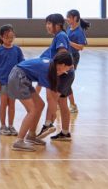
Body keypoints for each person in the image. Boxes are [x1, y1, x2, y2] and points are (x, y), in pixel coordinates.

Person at [7, 50, 75, 152]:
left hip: (22, 78)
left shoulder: (51, 66)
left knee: (40, 105)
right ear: (61, 65)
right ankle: (19, 141)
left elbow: (51, 97)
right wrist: (51, 117)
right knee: (32, 110)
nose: (66, 72)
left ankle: (31, 135)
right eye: (66, 69)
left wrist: (51, 115)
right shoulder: (47, 70)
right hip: (18, 77)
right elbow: (51, 97)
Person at [37, 13, 74, 141]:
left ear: (58, 25)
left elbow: (63, 53)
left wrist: (57, 71)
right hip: (67, 73)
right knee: (62, 103)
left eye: (49, 23)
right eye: (46, 23)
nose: (47, 26)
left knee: (51, 98)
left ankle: (48, 124)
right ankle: (65, 132)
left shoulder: (61, 36)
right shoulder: (59, 36)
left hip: (63, 74)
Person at [0, 25, 24, 136]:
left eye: (11, 36)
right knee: (3, 104)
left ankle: (11, 126)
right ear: (1, 37)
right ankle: (3, 126)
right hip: (3, 81)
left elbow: (21, 65)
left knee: (12, 104)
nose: (9, 39)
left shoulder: (17, 50)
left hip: (14, 82)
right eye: (7, 37)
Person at [64, 9, 89, 115]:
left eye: (69, 17)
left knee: (66, 80)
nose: (67, 19)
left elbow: (81, 47)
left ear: (75, 18)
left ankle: (73, 105)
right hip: (65, 56)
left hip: (73, 57)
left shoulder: (79, 31)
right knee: (63, 79)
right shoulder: (69, 28)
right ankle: (61, 101)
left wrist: (69, 42)